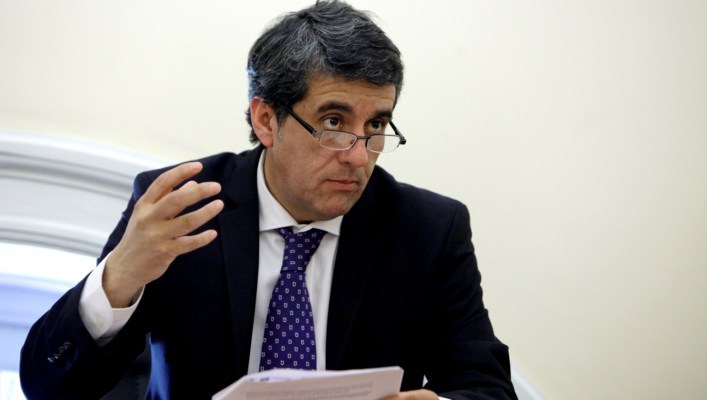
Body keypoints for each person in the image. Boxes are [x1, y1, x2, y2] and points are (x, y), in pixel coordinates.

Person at [20, 1, 517, 399]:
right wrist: (118, 279)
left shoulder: (428, 229)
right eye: (333, 122)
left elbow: (487, 387)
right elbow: (49, 388)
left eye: (376, 125)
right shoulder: (183, 209)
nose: (358, 155)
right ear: (265, 120)